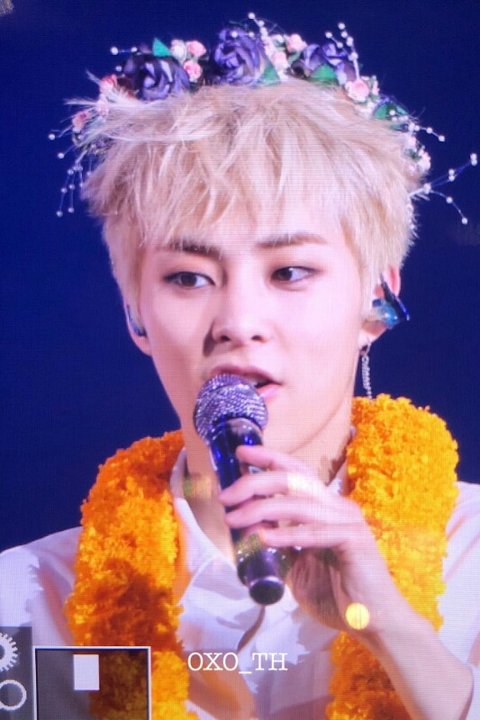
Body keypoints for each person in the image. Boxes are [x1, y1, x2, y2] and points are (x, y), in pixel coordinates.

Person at [1, 15, 479, 720]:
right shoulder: (30, 604)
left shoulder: (471, 559)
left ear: (377, 298)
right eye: (189, 277)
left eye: (290, 271)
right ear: (136, 313)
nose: (238, 320)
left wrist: (392, 630)